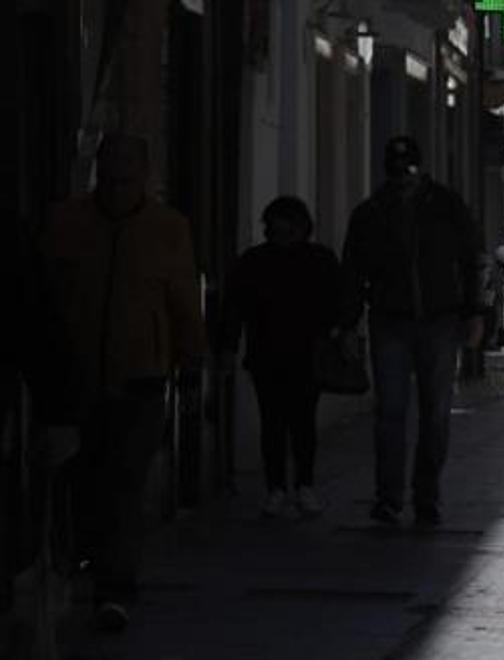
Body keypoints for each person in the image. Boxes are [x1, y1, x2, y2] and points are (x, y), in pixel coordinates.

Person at [42, 133, 207, 630]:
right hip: (76, 379)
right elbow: (47, 297)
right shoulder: (68, 222)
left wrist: (191, 360)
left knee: (126, 483)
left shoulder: (167, 228)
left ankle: (116, 586)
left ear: (144, 175)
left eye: (126, 176)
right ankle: (82, 565)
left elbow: (182, 299)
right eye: (109, 174)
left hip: (141, 376)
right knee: (80, 481)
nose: (116, 186)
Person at [340, 135, 487, 527]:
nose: (403, 179)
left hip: (440, 320)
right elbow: (353, 272)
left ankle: (426, 496)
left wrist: (475, 312)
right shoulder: (371, 213)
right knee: (390, 412)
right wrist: (347, 324)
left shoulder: (446, 206)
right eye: (397, 171)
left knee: (435, 414)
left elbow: (472, 259)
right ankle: (389, 498)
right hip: (390, 320)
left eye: (408, 171)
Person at [220, 196, 339, 518]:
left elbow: (234, 309)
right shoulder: (310, 260)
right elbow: (235, 308)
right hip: (274, 355)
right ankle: (289, 487)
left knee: (293, 422)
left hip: (295, 355)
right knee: (283, 422)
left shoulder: (261, 261)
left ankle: (292, 486)